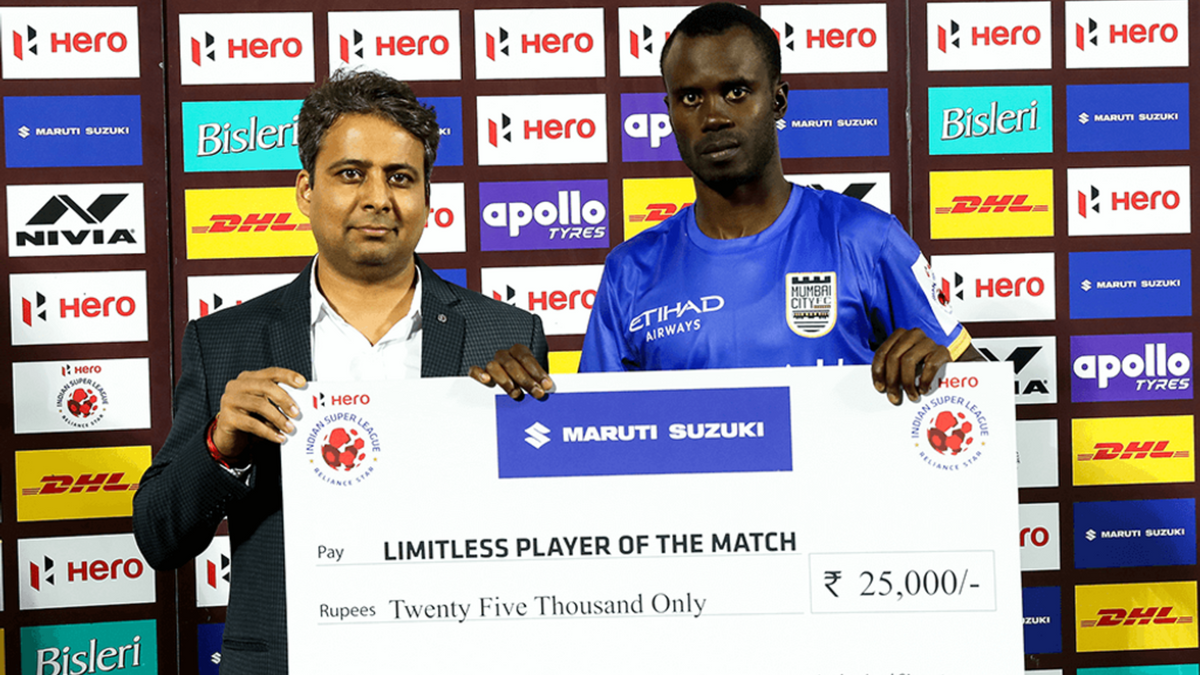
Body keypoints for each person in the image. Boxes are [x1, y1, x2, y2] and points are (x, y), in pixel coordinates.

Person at [133, 70, 547, 675]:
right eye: (351, 173)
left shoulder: (504, 336)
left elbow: (543, 536)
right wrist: (221, 446)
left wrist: (523, 442)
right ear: (306, 189)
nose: (377, 197)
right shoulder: (224, 341)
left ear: (428, 198)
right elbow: (160, 537)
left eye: (400, 177)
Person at [481, 3, 980, 403]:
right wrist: (515, 399)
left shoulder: (867, 239)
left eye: (736, 92)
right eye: (690, 98)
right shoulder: (630, 271)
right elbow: (598, 433)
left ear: (779, 100)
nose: (714, 116)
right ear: (669, 112)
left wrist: (942, 368)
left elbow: (979, 398)